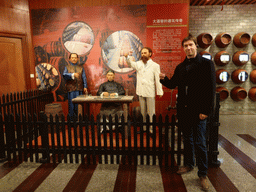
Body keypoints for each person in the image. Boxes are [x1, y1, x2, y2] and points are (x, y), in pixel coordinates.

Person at [159, 35, 216, 191]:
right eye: (185, 46)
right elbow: (172, 84)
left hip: (199, 112)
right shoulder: (181, 67)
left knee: (200, 142)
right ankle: (189, 165)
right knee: (187, 140)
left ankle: (203, 174)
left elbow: (211, 89)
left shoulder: (206, 64)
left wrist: (206, 110)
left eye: (191, 45)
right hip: (184, 111)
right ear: (183, 48)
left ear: (195, 46)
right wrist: (163, 79)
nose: (188, 48)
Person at [124, 47, 163, 131]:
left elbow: (158, 79)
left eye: (145, 53)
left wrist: (159, 91)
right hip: (140, 91)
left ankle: (151, 129)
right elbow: (130, 64)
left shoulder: (155, 66)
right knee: (143, 112)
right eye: (142, 53)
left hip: (150, 92)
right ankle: (144, 128)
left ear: (150, 54)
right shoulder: (138, 64)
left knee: (151, 112)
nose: (143, 55)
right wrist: (127, 57)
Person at [63, 53, 88, 119]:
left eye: (75, 58)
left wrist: (85, 86)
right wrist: (72, 75)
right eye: (72, 57)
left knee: (79, 106)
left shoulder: (81, 68)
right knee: (71, 106)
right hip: (71, 89)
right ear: (70, 59)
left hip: (79, 89)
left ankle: (79, 120)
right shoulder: (67, 67)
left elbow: (84, 77)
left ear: (77, 59)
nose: (74, 59)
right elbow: (64, 75)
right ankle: (72, 122)